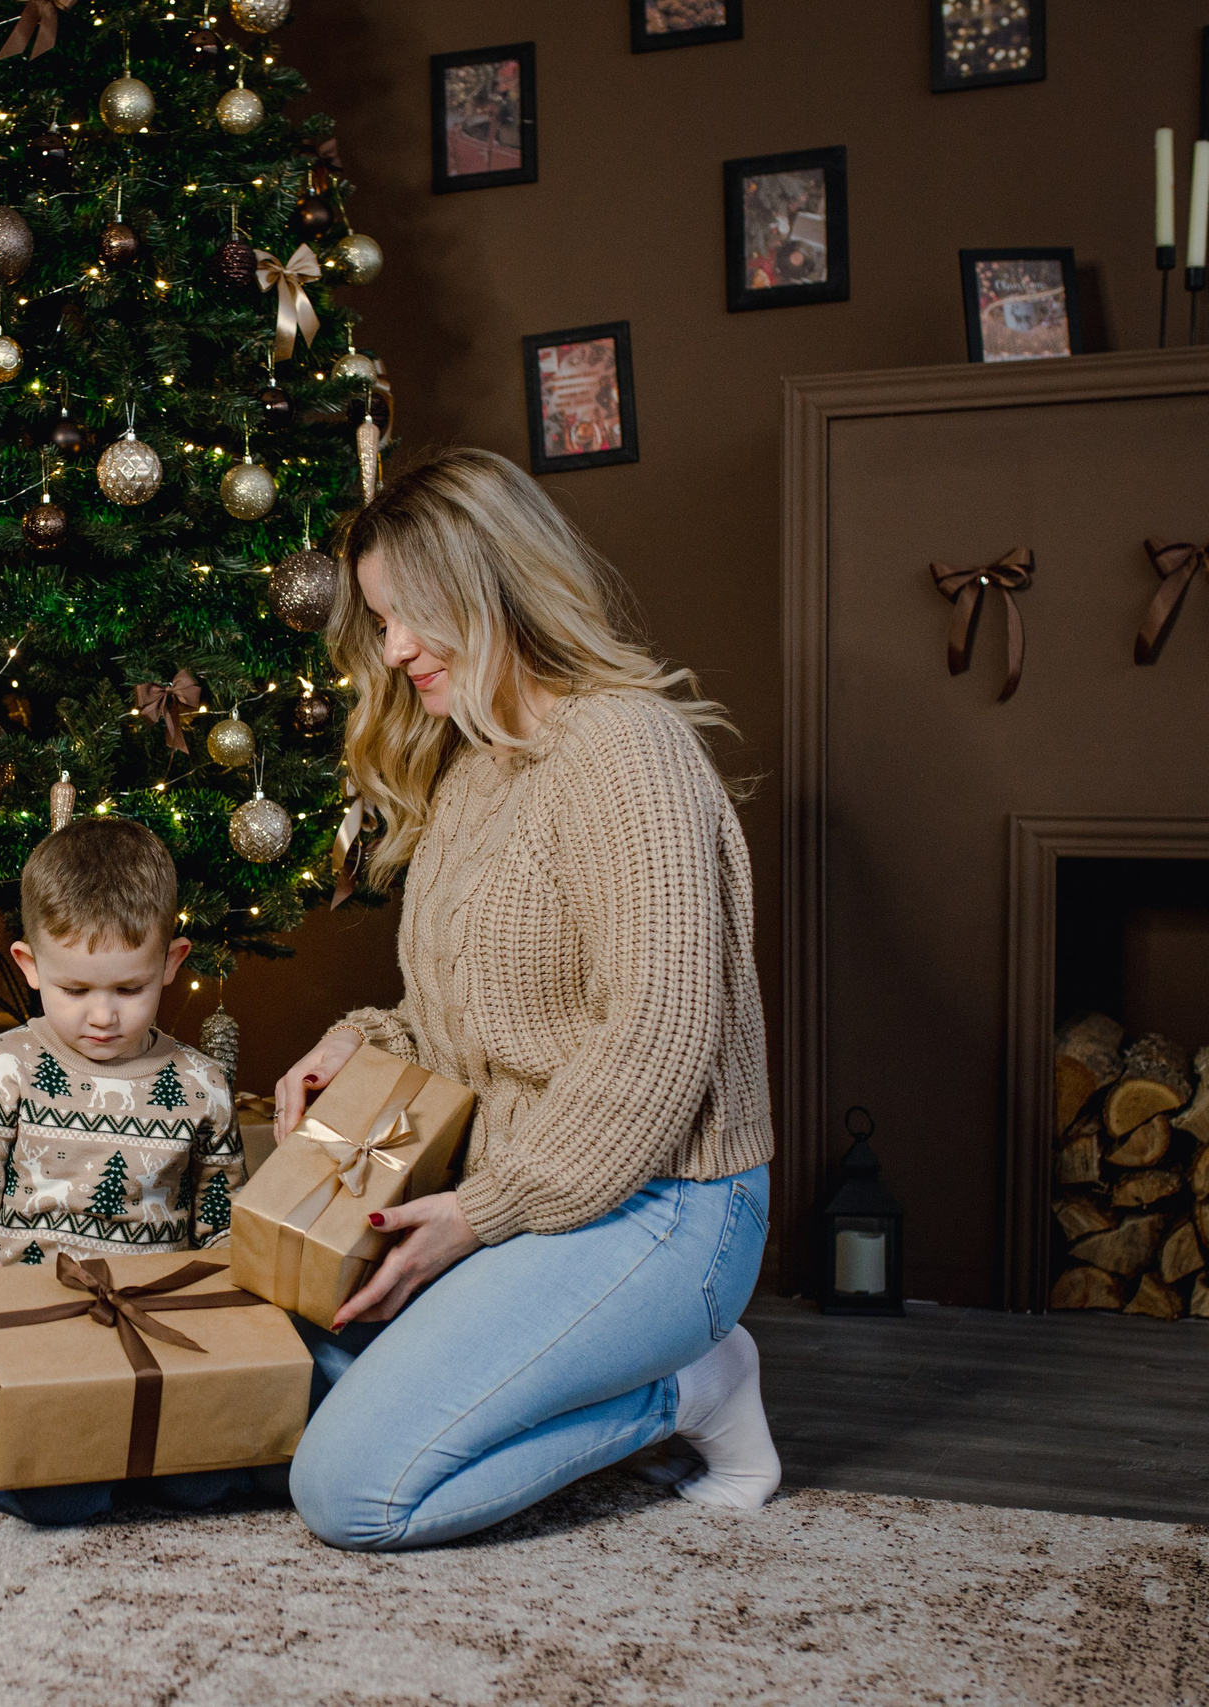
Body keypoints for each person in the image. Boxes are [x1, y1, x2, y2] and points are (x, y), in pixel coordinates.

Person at [273, 446, 780, 1552]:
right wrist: (354, 1041)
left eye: (413, 614)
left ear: (492, 585)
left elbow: (653, 1045)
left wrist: (477, 1218)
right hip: (536, 1188)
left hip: (666, 1206)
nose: (394, 649)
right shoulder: (478, 764)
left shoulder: (624, 751)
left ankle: (689, 1390)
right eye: (380, 619)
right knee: (293, 1362)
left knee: (351, 1489)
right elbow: (464, 1024)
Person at [0, 818, 250, 1525]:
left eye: (129, 988)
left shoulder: (201, 1083)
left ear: (171, 959)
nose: (102, 1016)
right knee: (63, 1492)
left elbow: (223, 1229)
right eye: (73, 990)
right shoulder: (0, 1067)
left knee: (200, 1486)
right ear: (29, 964)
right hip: (38, 1333)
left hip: (154, 1329)